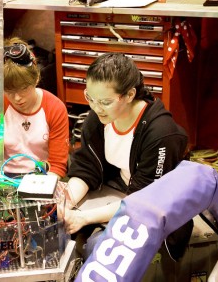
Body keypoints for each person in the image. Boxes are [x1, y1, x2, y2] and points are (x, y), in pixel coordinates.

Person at [64, 52, 191, 259]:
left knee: (98, 248)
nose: (96, 108)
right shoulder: (98, 119)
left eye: (105, 101)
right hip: (120, 192)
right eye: (90, 98)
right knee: (63, 231)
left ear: (130, 95)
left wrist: (82, 217)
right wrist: (66, 202)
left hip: (155, 207)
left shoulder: (161, 134)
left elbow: (145, 200)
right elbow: (87, 167)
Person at [3, 37, 69, 179]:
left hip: (42, 177)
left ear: (37, 77)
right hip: (4, 177)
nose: (17, 98)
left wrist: (40, 188)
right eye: (9, 91)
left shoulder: (55, 108)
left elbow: (57, 165)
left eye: (23, 89)